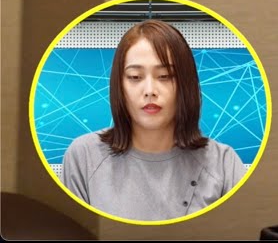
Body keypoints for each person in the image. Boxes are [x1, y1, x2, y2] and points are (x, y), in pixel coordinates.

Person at [59, 19, 247, 222]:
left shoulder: (224, 164)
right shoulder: (83, 156)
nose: (150, 91)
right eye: (135, 77)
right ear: (119, 85)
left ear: (186, 84)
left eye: (165, 76)